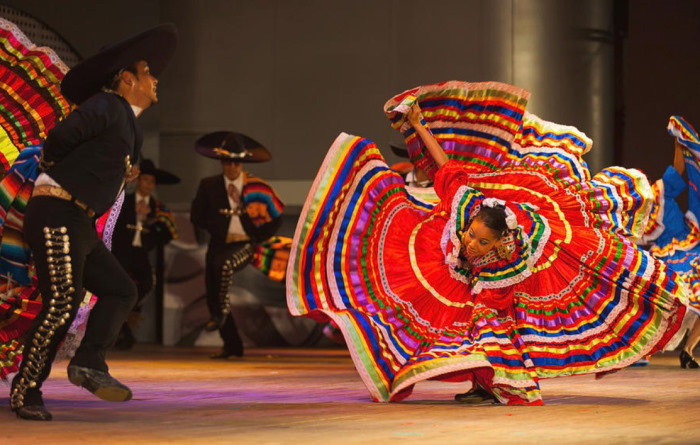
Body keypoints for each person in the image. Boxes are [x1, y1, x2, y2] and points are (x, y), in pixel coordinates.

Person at [286, 81, 687, 405]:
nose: (470, 242)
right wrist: (416, 121)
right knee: (398, 265)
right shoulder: (465, 203)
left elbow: (494, 316)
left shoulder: (512, 261)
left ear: (498, 244)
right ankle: (479, 381)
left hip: (507, 290)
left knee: (482, 327)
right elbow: (446, 164)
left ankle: (491, 385)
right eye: (471, 234)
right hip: (458, 263)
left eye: (479, 241)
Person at [9, 23, 178, 421]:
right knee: (62, 303)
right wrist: (59, 172)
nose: (156, 80)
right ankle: (26, 390)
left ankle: (88, 363)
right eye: (148, 73)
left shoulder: (126, 122)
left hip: (78, 221)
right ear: (125, 78)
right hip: (58, 213)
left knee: (122, 290)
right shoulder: (105, 105)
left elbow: (99, 158)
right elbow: (58, 141)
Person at [190, 131, 284, 359]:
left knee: (224, 266)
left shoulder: (256, 187)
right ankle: (232, 346)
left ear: (242, 163)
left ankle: (220, 314)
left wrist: (257, 237)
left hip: (245, 244)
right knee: (213, 290)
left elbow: (276, 215)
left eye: (236, 162)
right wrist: (215, 226)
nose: (232, 167)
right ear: (221, 162)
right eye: (227, 162)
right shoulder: (208, 185)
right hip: (219, 243)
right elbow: (197, 216)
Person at [641, 116, 700, 368]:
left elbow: (678, 170)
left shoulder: (660, 191)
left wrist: (680, 142)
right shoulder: (637, 215)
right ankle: (641, 351)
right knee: (662, 306)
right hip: (666, 259)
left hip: (690, 246)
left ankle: (688, 349)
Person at [111, 159, 179, 350]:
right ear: (139, 181)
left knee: (148, 283)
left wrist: (152, 223)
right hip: (121, 252)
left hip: (141, 252)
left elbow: (168, 233)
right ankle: (122, 327)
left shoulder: (159, 208)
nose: (148, 185)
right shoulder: (125, 201)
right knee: (119, 287)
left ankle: (128, 315)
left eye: (152, 182)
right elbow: (112, 227)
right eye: (145, 180)